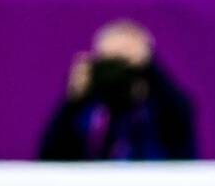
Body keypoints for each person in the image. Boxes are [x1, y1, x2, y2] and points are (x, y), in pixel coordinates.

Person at [37, 20, 196, 160]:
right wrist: (73, 101)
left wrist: (152, 70)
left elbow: (181, 125)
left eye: (124, 63)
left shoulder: (159, 107)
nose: (118, 72)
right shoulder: (87, 111)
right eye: (110, 62)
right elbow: (49, 158)